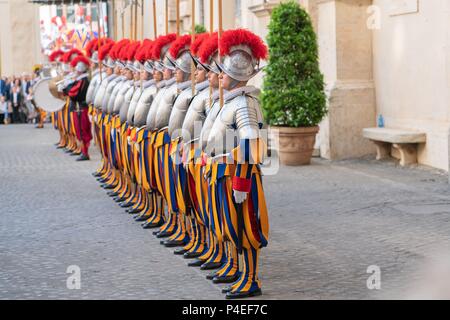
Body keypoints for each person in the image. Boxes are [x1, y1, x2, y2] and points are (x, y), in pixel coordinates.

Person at [204, 29, 269, 299]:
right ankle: (240, 272)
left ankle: (251, 279)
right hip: (225, 172)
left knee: (246, 228)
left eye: (224, 72)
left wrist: (241, 181)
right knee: (231, 226)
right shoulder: (228, 101)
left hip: (240, 176)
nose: (219, 76)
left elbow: (250, 145)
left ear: (237, 75)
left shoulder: (243, 104)